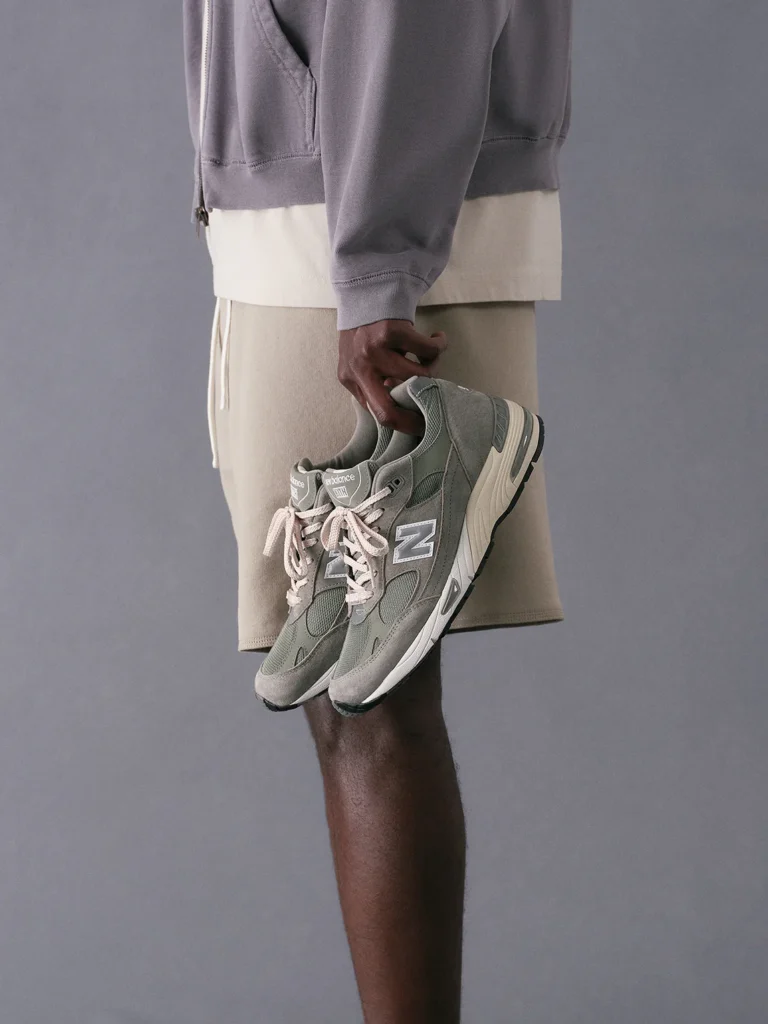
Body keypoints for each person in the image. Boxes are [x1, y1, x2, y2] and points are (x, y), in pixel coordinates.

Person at [182, 1, 572, 1019]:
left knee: (370, 702)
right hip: (317, 219)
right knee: (350, 694)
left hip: (357, 227)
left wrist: (379, 267)